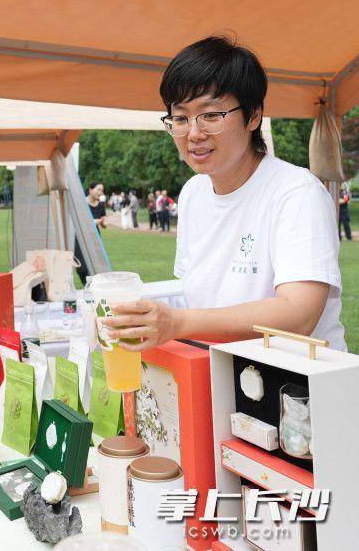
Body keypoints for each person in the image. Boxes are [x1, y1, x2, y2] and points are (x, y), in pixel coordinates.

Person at [105, 36, 346, 351]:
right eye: (180, 118)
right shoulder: (193, 193)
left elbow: (299, 314)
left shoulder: (296, 192)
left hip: (297, 389)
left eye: (210, 115)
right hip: (222, 376)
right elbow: (198, 294)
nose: (193, 133)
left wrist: (179, 323)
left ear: (253, 116)